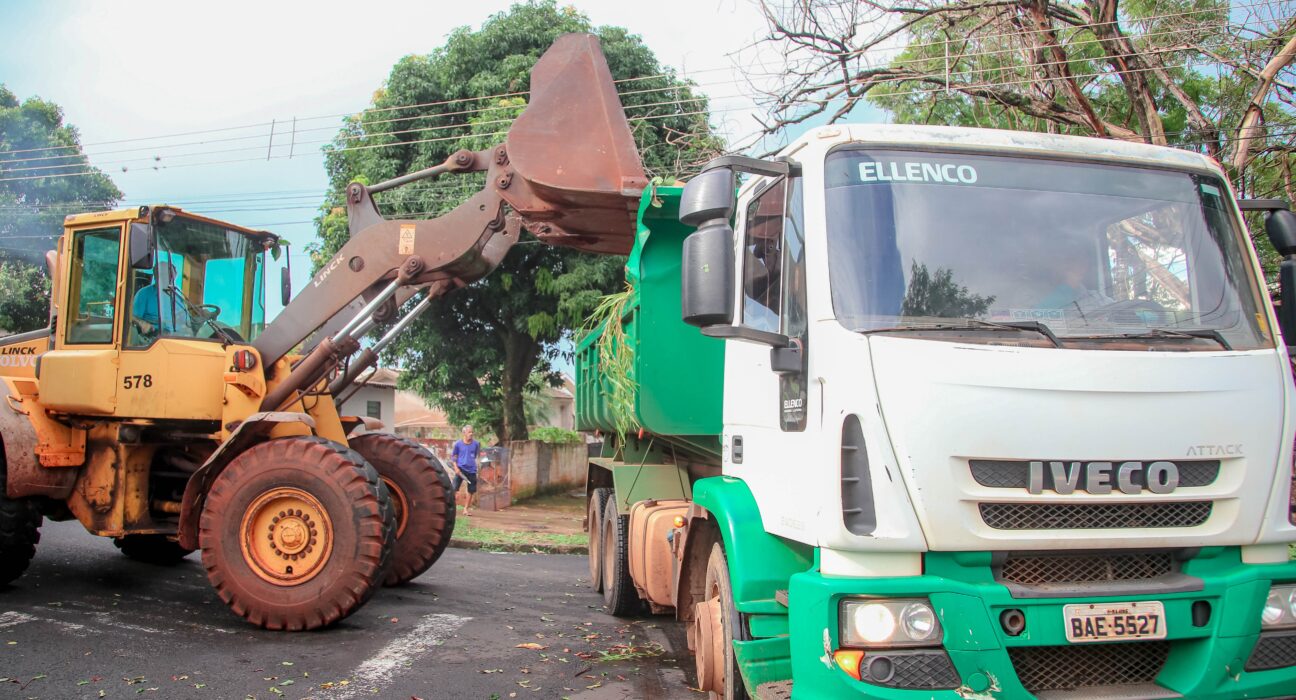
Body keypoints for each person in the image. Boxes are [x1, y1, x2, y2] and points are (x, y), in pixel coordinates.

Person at [131, 261, 193, 338]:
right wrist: (142, 323)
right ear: (155, 275)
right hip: (153, 339)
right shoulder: (144, 293)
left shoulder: (178, 296)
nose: (166, 277)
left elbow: (187, 324)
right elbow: (132, 317)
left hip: (177, 339)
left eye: (169, 275)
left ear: (174, 276)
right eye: (162, 274)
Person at [451, 424, 482, 515]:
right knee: (454, 489)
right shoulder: (458, 444)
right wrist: (456, 468)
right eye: (469, 432)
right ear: (464, 433)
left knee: (471, 490)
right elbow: (454, 456)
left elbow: (475, 455)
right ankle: (451, 508)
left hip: (472, 470)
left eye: (472, 432)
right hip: (460, 470)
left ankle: (465, 509)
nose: (471, 434)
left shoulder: (476, 444)